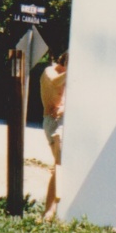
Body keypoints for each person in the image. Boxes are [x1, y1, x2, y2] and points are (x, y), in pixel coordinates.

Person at [40, 51, 67, 221]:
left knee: (62, 165)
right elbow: (55, 83)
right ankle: (49, 211)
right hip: (52, 121)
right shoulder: (49, 71)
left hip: (63, 121)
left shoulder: (69, 77)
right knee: (59, 165)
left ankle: (53, 210)